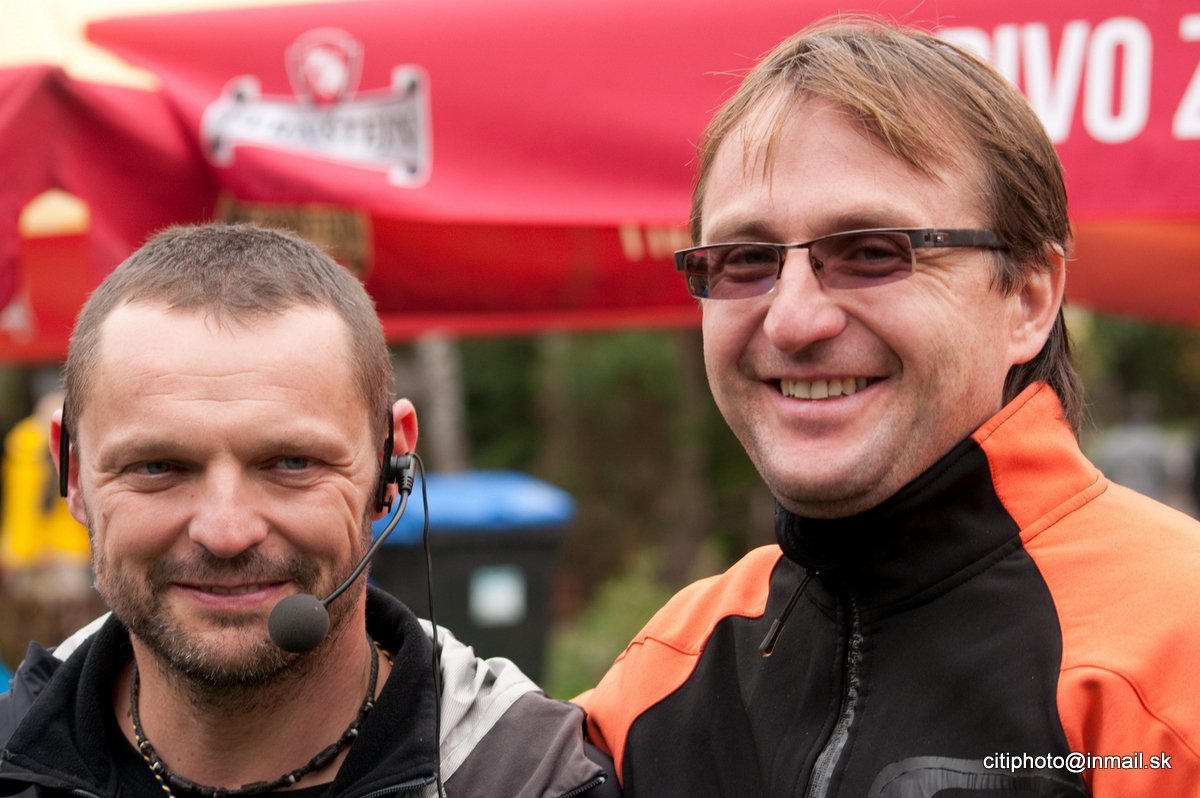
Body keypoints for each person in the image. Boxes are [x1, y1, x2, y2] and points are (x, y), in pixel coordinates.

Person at [577, 16, 1200, 797]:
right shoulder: (668, 668)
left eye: (873, 252)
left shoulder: (1175, 654)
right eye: (745, 260)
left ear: (1028, 299)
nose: (793, 321)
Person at [0, 224, 618, 798]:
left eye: (292, 463)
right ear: (72, 472)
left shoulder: (532, 778)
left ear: (390, 464)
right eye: (158, 467)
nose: (226, 532)